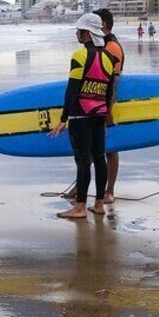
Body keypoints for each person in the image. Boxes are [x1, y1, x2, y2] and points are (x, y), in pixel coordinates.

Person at [49, 13, 115, 219]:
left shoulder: (80, 56)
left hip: (80, 116)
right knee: (99, 158)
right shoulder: (109, 58)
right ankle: (99, 204)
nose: (77, 33)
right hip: (99, 114)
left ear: (87, 33)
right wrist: (105, 113)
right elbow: (108, 91)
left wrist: (63, 118)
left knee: (83, 161)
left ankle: (79, 207)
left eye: (79, 30)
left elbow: (72, 89)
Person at [96, 9, 124, 217]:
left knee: (110, 148)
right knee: (91, 147)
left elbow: (113, 82)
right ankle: (80, 187)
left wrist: (108, 110)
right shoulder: (100, 45)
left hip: (106, 105)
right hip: (94, 103)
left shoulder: (112, 47)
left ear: (104, 24)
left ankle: (110, 190)